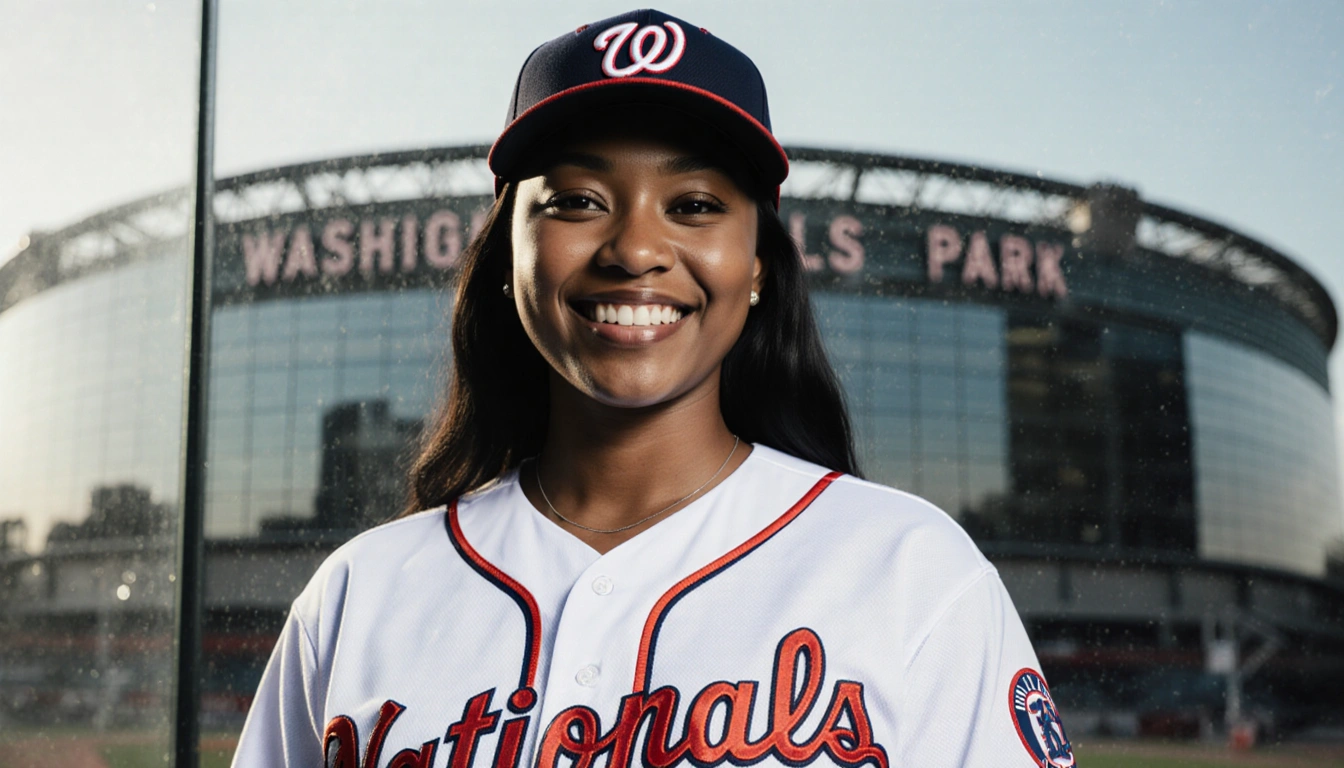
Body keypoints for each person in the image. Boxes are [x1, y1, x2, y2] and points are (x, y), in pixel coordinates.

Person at [232, 9, 1075, 768]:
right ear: (507, 256)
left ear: (757, 266)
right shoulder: (360, 593)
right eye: (576, 200)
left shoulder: (911, 572)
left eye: (696, 204)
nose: (635, 249)